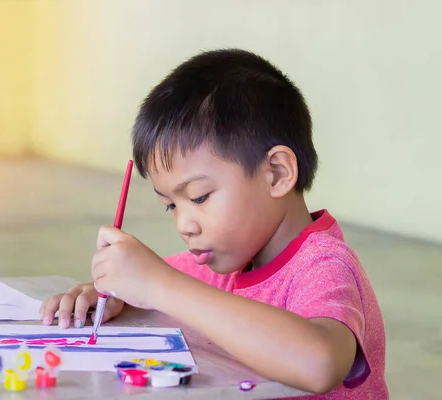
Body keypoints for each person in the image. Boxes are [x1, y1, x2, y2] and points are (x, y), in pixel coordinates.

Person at [39, 48, 388, 398]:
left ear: (277, 173)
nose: (184, 225)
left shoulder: (324, 265)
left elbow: (320, 364)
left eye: (200, 196)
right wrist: (116, 293)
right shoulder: (226, 261)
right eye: (171, 205)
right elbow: (157, 286)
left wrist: (159, 285)